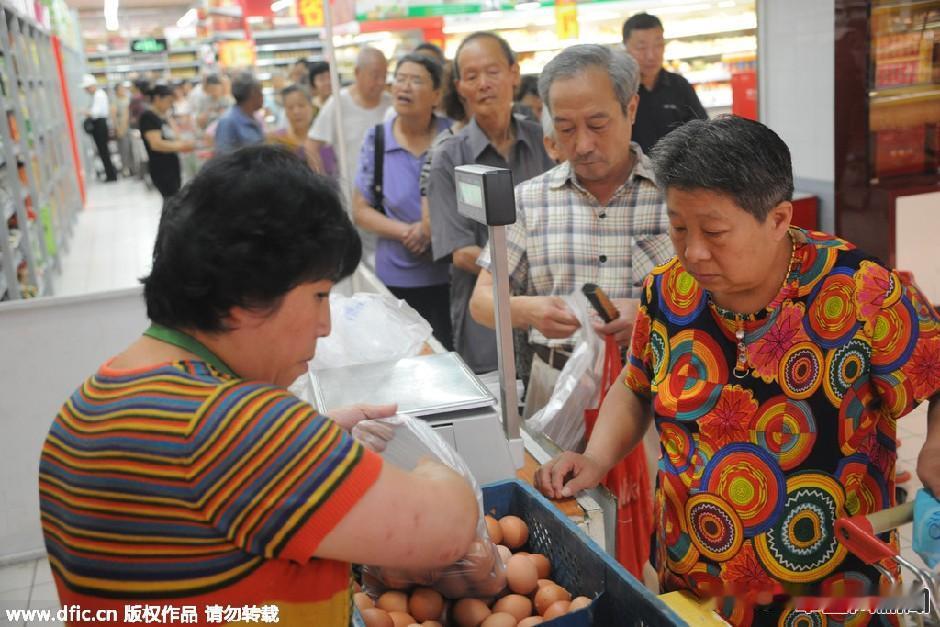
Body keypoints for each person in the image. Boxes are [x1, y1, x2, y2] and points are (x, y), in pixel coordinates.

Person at [38, 145, 479, 626]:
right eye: (319, 295)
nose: (326, 325)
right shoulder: (238, 426)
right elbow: (446, 533)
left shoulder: (89, 403)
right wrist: (431, 466)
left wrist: (315, 439)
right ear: (248, 296)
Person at [535, 115, 940, 625]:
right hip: (694, 579)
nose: (693, 252)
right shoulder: (669, 290)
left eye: (714, 232)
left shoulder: (862, 291)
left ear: (778, 219)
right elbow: (637, 384)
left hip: (832, 590)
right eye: (679, 228)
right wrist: (596, 458)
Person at [470, 44, 672, 418]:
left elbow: (723, 298)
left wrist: (652, 315)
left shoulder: (674, 196)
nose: (582, 144)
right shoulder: (528, 201)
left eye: (597, 124)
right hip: (555, 390)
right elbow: (481, 302)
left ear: (630, 108)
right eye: (565, 128)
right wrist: (528, 310)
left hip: (657, 387)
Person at [427, 31, 554, 374]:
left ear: (514, 73)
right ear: (460, 87)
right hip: (486, 323)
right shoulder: (447, 158)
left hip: (549, 320)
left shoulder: (545, 142)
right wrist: (530, 272)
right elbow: (460, 252)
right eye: (471, 76)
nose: (484, 83)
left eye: (493, 71)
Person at [353, 54, 454, 350]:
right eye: (400, 79)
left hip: (448, 274)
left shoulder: (453, 136)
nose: (405, 87)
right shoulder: (377, 139)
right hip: (394, 277)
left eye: (416, 80)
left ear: (436, 95)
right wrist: (410, 232)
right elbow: (360, 210)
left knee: (448, 354)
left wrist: (430, 229)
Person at [306, 47, 391, 194]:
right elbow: (311, 145)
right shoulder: (338, 103)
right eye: (375, 76)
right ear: (357, 73)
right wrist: (324, 186)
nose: (380, 82)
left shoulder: (391, 105)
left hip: (389, 192)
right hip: (350, 193)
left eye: (384, 76)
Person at [622, 12, 707, 154]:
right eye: (641, 47)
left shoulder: (679, 86)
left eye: (658, 45)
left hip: (677, 166)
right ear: (625, 48)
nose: (651, 55)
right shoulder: (620, 90)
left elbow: (703, 131)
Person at [138, 83, 196, 199]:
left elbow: (176, 136)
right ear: (157, 98)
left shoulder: (163, 116)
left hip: (172, 165)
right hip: (161, 168)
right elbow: (156, 144)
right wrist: (182, 146)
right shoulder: (148, 117)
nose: (170, 105)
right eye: (168, 101)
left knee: (174, 200)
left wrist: (168, 118)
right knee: (170, 200)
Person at [213, 74, 265, 154]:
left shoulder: (253, 117)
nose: (262, 97)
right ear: (253, 94)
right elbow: (224, 156)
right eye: (260, 93)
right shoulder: (228, 121)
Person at [82, 74, 118, 182]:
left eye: (87, 88)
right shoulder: (97, 95)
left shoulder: (99, 95)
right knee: (103, 151)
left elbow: (95, 112)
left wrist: (85, 112)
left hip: (100, 125)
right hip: (99, 124)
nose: (86, 90)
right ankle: (110, 173)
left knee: (104, 151)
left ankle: (111, 175)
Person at [267, 84, 315, 161]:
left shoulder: (323, 140)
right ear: (285, 111)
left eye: (301, 105)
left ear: (311, 107)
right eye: (290, 107)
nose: (296, 112)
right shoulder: (276, 141)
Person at [111, 82, 132, 176]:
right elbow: (113, 116)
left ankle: (133, 168)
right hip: (121, 127)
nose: (123, 90)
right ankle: (125, 169)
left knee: (131, 148)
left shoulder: (128, 98)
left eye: (123, 88)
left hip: (130, 126)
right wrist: (117, 128)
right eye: (121, 89)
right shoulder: (115, 101)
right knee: (124, 149)